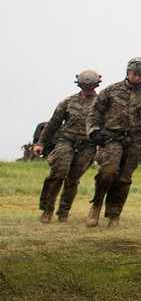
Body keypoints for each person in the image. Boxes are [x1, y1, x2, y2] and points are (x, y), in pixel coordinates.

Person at [86, 57, 141, 228]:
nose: (137, 77)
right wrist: (94, 131)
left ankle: (114, 215)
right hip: (111, 138)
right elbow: (95, 112)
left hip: (134, 141)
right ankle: (96, 205)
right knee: (108, 171)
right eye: (135, 74)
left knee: (123, 179)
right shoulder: (111, 91)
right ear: (128, 72)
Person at [34, 69, 102, 223]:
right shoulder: (68, 102)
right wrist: (40, 143)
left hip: (87, 145)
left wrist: (101, 146)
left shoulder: (101, 104)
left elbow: (105, 126)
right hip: (67, 141)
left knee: (73, 179)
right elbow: (52, 124)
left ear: (96, 85)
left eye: (90, 87)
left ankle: (63, 213)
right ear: (79, 85)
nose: (88, 90)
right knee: (57, 173)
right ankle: (47, 210)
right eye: (85, 87)